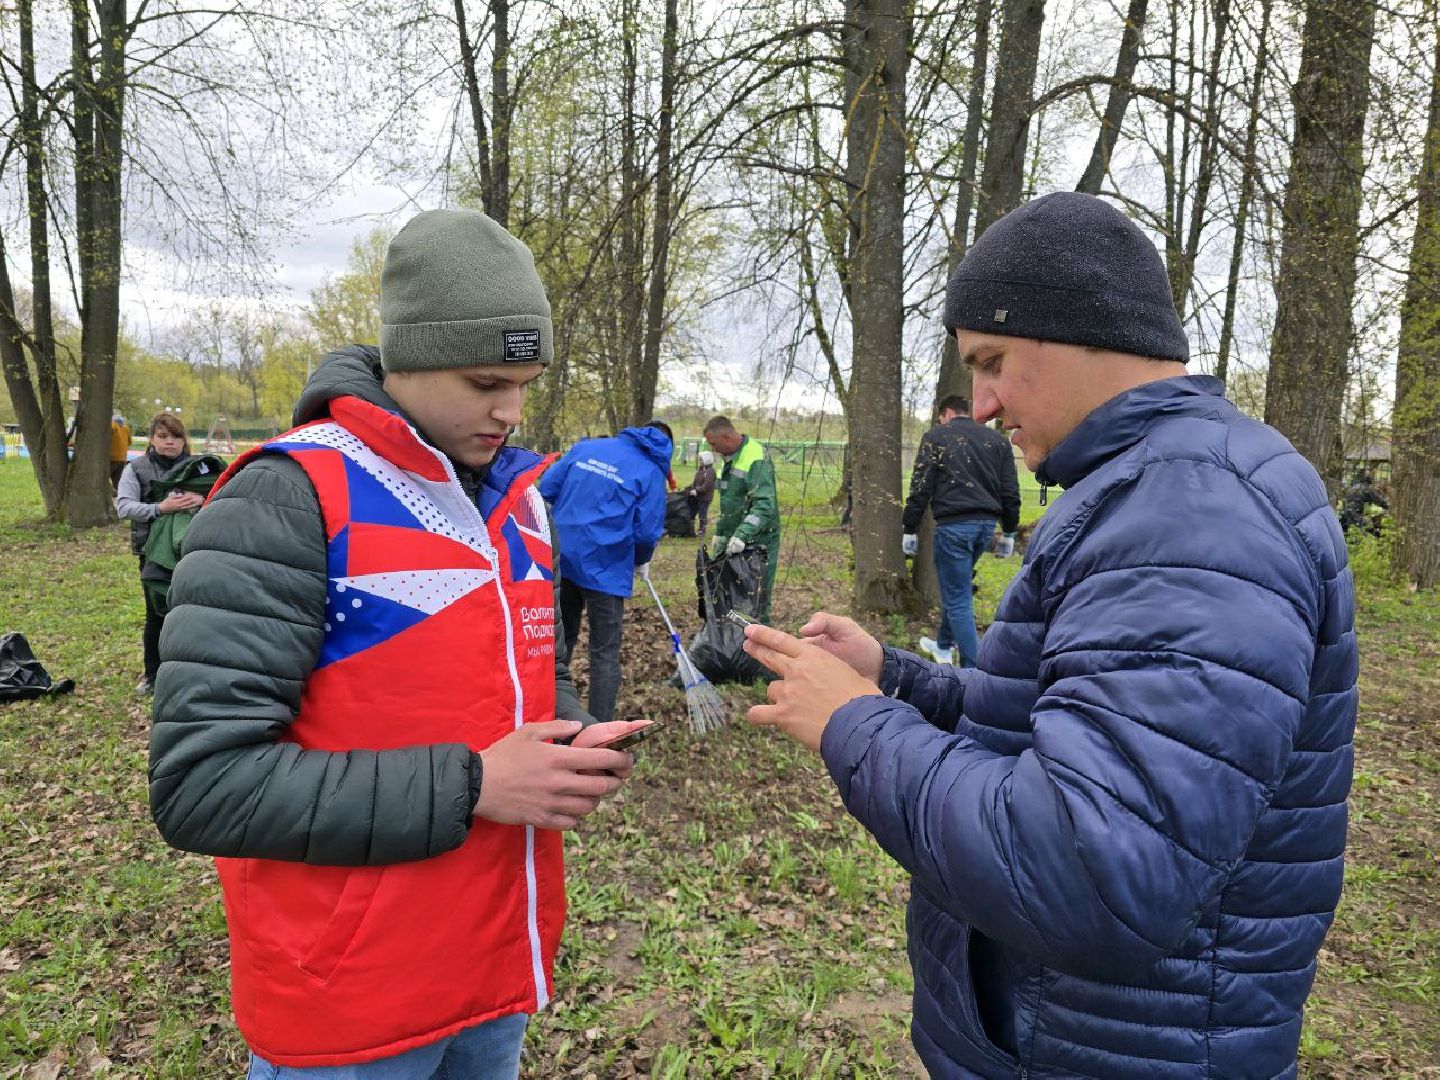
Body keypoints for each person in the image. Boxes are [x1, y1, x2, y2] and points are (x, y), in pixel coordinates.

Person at [739, 192, 1356, 1079]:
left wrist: (855, 725)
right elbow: (1052, 729)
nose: (980, 404)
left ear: (1076, 329)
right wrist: (893, 680)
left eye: (991, 362)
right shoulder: (1158, 487)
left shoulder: (1192, 516)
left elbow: (1092, 875)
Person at [148, 209, 647, 1078]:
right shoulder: (286, 495)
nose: (510, 409)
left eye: (526, 381)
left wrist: (568, 734)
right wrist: (479, 783)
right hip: (350, 1009)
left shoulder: (523, 501)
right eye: (486, 379)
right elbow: (200, 783)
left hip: (492, 976)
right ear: (407, 357)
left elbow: (503, 682)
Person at [538, 421, 673, 724]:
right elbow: (648, 532)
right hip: (607, 570)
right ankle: (601, 731)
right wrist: (641, 559)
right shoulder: (651, 471)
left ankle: (547, 713)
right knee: (604, 653)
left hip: (563, 559)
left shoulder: (586, 448)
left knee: (560, 641)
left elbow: (545, 490)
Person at [901, 394, 1020, 667]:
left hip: (954, 528)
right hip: (985, 528)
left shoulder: (937, 437)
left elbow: (921, 487)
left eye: (941, 418)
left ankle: (974, 671)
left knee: (958, 600)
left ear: (947, 413)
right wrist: (1010, 531)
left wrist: (910, 527)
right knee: (957, 588)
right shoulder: (996, 441)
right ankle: (943, 646)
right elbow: (1010, 490)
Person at [115, 412, 199, 696]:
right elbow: (124, 506)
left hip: (193, 551)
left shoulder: (197, 468)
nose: (170, 442)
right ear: (151, 438)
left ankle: (189, 673)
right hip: (152, 553)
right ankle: (152, 675)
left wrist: (201, 499)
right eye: (163, 436)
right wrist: (159, 509)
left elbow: (223, 496)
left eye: (176, 437)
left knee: (191, 613)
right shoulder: (136, 468)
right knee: (156, 615)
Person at [703, 415, 781, 622]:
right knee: (731, 594)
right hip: (734, 540)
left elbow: (764, 505)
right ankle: (736, 644)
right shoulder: (728, 461)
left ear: (727, 437)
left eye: (713, 444)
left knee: (757, 598)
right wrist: (720, 534)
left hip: (760, 542)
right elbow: (728, 505)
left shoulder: (755, 456)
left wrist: (742, 534)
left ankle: (760, 649)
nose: (713, 449)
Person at [1339, 467, 1388, 535]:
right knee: (1365, 532)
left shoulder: (1353, 487)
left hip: (1344, 513)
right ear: (1369, 483)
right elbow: (1379, 501)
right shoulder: (1367, 489)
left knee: (1346, 534)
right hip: (1355, 514)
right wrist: (1388, 505)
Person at [688, 448, 717, 534]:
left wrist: (697, 490)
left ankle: (702, 529)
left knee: (702, 514)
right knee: (692, 512)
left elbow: (707, 485)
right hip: (696, 496)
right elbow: (695, 482)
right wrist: (691, 488)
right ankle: (690, 528)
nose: (700, 461)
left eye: (701, 459)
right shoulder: (700, 470)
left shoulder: (710, 471)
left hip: (704, 497)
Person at [109, 413, 132, 492]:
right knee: (117, 479)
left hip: (111, 458)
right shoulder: (126, 429)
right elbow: (129, 442)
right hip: (122, 458)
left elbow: (110, 427)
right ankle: (118, 494)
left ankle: (111, 492)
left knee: (102, 478)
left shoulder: (113, 425)